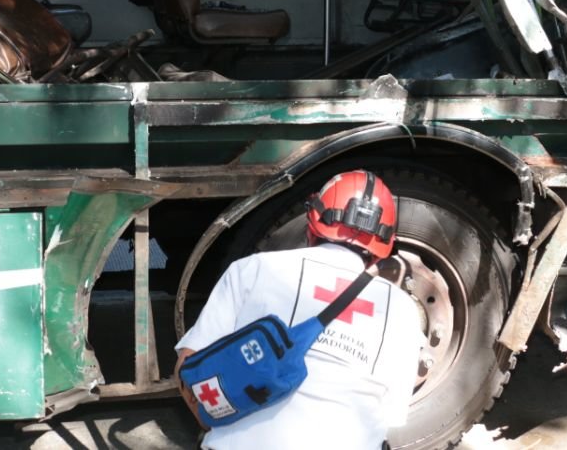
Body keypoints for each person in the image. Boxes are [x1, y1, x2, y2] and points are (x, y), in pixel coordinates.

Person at [175, 170, 422, 449]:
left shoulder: (252, 269)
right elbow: (389, 413)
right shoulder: (402, 310)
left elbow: (188, 366)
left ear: (313, 222)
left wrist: (211, 419)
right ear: (383, 246)